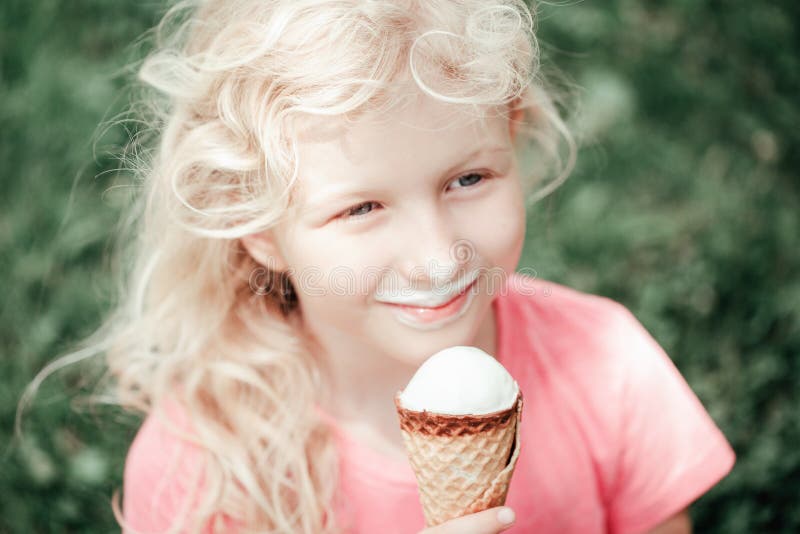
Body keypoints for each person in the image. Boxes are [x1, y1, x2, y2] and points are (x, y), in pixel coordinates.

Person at [30, 0, 736, 532]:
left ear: (510, 134)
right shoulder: (200, 467)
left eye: (468, 179)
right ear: (259, 231)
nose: (436, 259)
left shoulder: (606, 366)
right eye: (361, 208)